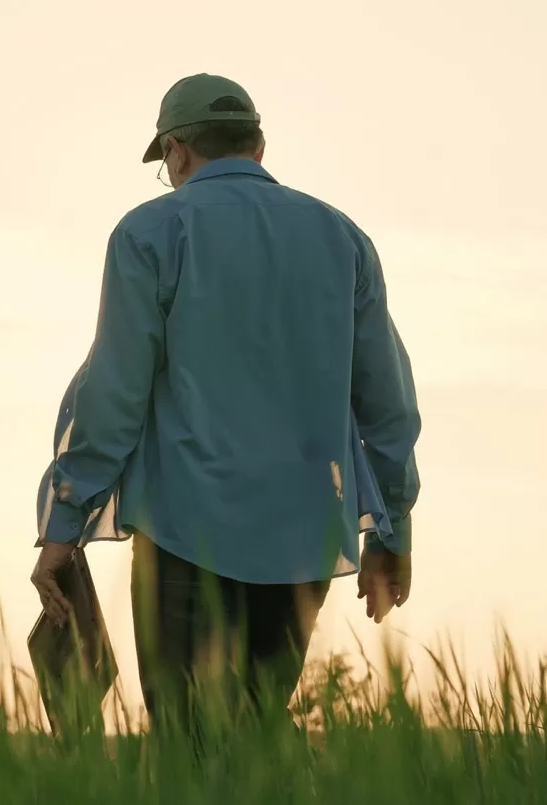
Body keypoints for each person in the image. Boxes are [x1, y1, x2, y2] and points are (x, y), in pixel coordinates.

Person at [30, 75, 421, 737]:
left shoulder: (151, 232)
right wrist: (392, 531)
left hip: (184, 531)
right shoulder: (341, 237)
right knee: (254, 735)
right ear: (257, 147)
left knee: (187, 743)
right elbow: (387, 404)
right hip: (304, 538)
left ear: (177, 151)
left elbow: (114, 395)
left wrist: (64, 525)